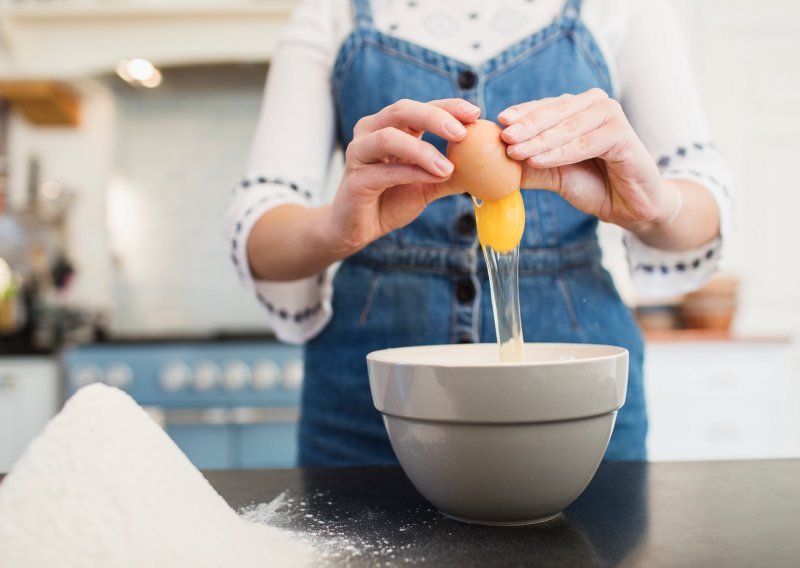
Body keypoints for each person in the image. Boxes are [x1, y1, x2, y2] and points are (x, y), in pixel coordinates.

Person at [226, 0, 732, 466]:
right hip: (366, 411)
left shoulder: (621, 9)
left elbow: (702, 204)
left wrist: (655, 205)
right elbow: (261, 222)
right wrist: (336, 227)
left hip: (577, 399)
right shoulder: (332, 12)